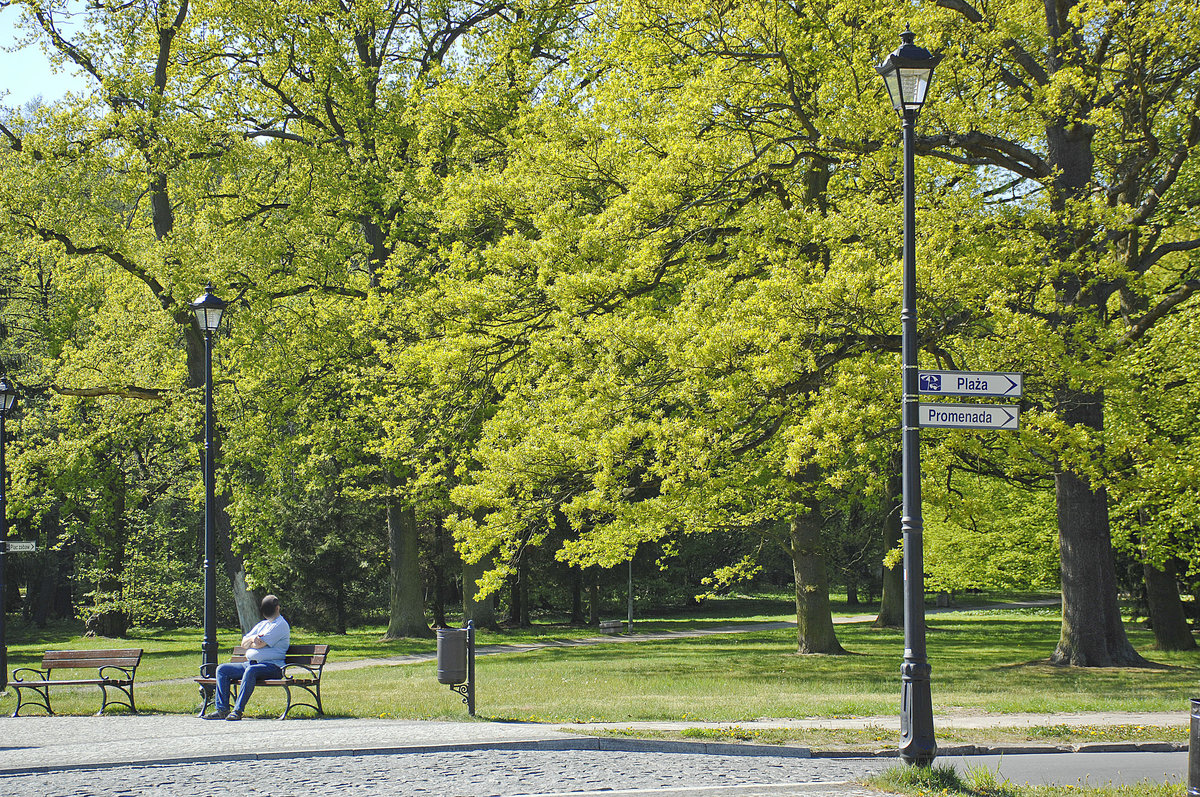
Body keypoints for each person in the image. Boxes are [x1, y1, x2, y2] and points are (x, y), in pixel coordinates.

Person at [204, 594, 290, 721]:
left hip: (273, 666)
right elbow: (244, 643)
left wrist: (254, 642)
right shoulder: (262, 625)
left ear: (277, 608)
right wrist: (252, 639)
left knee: (251, 671)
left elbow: (260, 644)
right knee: (222, 669)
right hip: (251, 664)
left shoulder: (280, 625)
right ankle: (222, 710)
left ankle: (237, 711)